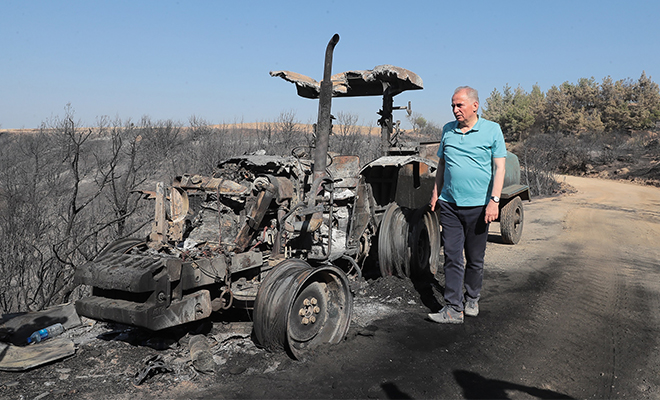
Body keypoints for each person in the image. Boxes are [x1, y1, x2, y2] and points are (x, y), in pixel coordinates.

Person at [428, 86, 507, 324]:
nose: (455, 110)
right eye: (452, 105)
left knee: (475, 258)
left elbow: (499, 168)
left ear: (475, 105)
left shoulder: (492, 130)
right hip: (450, 204)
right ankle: (453, 307)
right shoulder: (448, 131)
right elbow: (442, 165)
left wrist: (494, 201)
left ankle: (472, 298)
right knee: (452, 256)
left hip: (479, 207)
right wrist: (435, 193)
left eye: (459, 105)